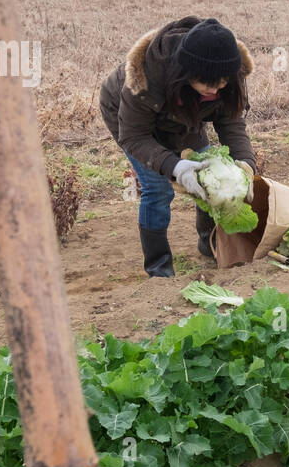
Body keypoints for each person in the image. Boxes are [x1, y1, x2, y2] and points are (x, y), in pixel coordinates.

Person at [100, 16, 257, 276]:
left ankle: (208, 242)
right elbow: (134, 136)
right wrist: (175, 166)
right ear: (186, 74)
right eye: (208, 83)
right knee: (158, 188)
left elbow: (232, 125)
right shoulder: (146, 81)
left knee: (209, 173)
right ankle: (158, 267)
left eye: (222, 82)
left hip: (184, 115)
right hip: (130, 118)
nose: (216, 89)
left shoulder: (227, 71)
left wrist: (246, 165)